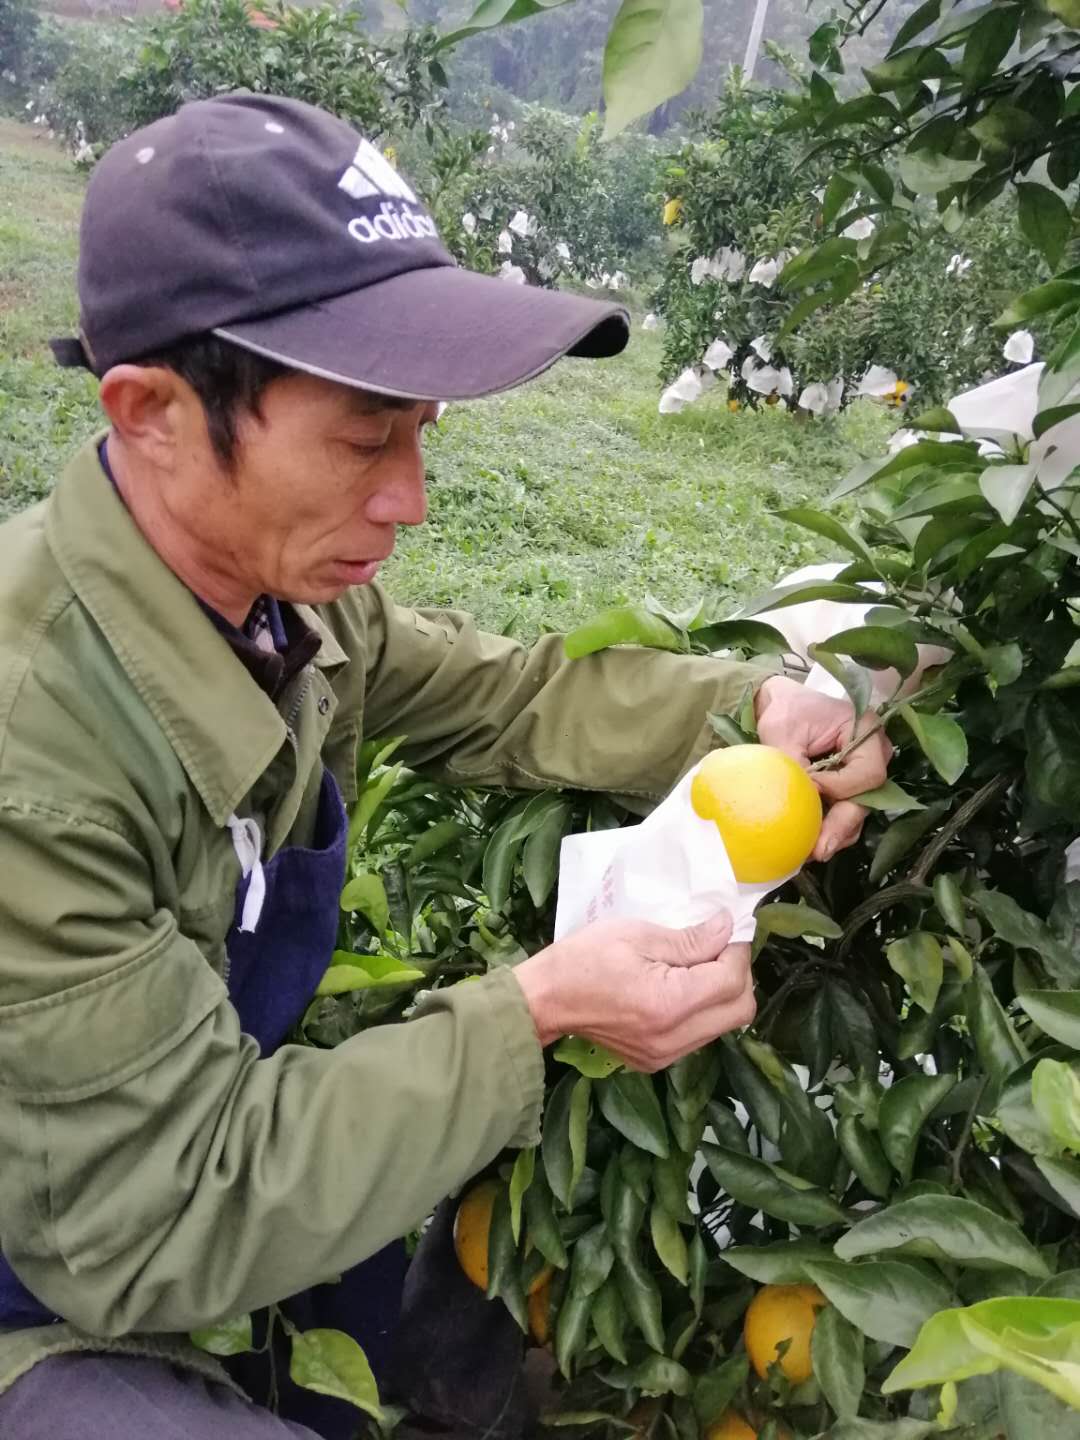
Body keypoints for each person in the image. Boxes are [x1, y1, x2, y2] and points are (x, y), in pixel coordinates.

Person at [0, 93, 890, 1439]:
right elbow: (149, 1218)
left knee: (419, 1327)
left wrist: (755, 706)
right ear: (155, 413)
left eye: (423, 430)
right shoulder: (37, 750)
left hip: (208, 1149)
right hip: (60, 1260)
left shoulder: (278, 595)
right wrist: (530, 1012)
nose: (410, 498)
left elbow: (502, 694)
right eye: (365, 439)